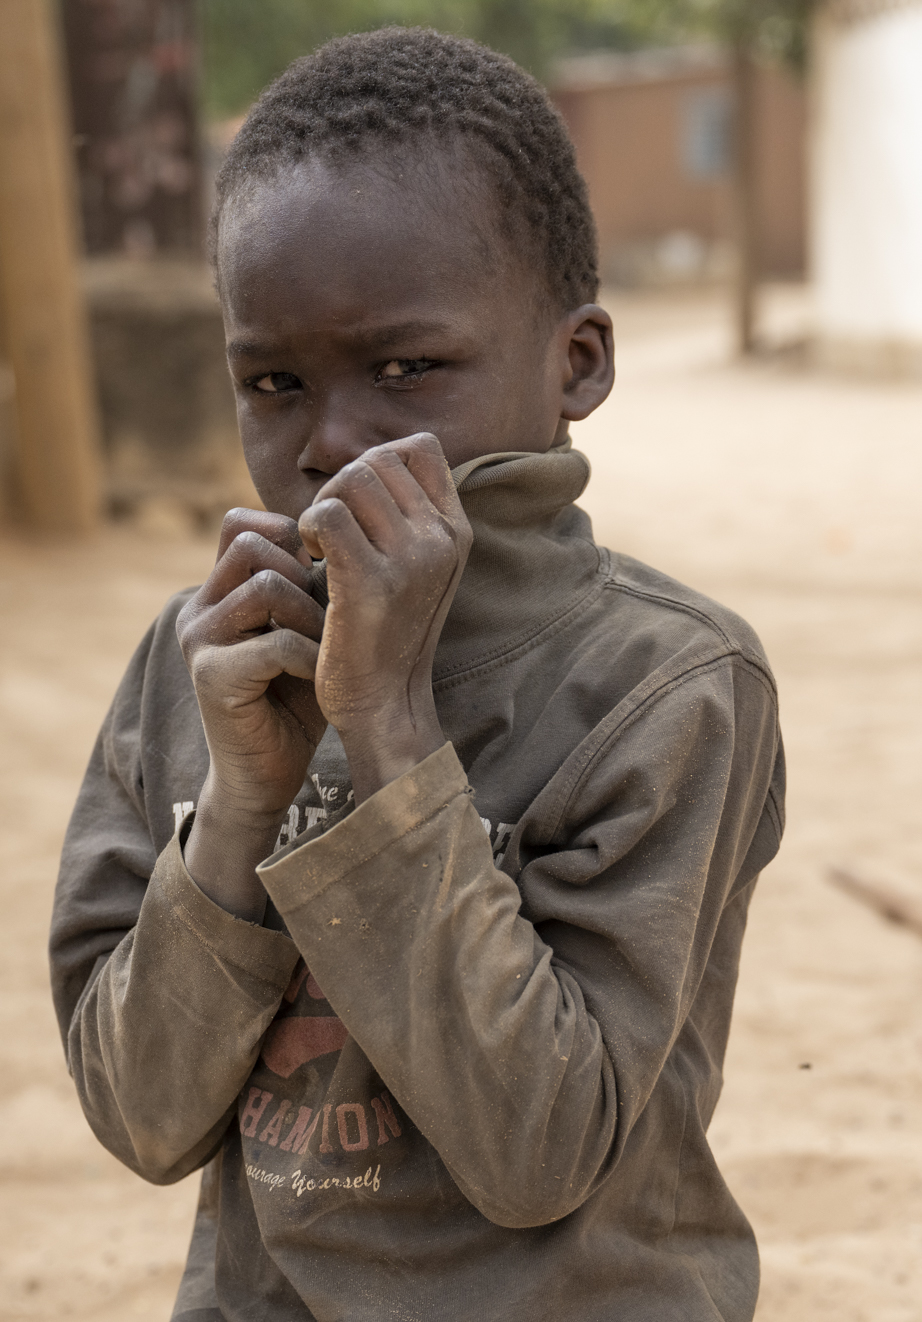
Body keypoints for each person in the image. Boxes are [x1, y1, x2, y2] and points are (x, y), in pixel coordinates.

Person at [50, 27, 785, 1322]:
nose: (333, 439)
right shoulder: (203, 662)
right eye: (274, 381)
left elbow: (538, 1150)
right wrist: (240, 803)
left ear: (577, 363)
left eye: (406, 369)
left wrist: (387, 728)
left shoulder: (665, 683)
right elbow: (142, 1117)